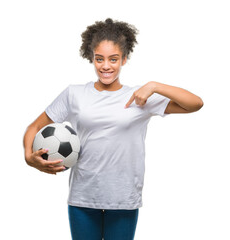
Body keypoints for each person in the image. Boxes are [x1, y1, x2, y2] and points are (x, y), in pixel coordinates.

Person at [23, 18, 203, 240]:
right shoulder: (74, 94)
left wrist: (154, 86)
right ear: (92, 58)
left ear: (124, 59)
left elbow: (195, 104)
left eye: (113, 59)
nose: (106, 66)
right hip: (83, 195)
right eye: (99, 59)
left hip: (123, 197)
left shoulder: (140, 96)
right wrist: (28, 157)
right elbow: (35, 127)